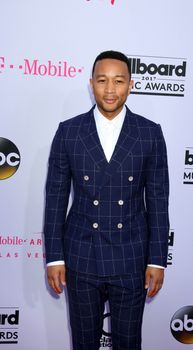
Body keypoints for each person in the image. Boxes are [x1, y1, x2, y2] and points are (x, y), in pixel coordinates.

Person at [44, 50, 169, 350]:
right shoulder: (69, 132)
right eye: (102, 80)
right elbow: (55, 198)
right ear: (91, 84)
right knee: (84, 342)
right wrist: (55, 257)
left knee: (128, 343)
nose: (110, 89)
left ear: (131, 84)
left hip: (131, 258)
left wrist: (157, 260)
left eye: (118, 81)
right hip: (82, 256)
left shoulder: (149, 133)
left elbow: (158, 201)